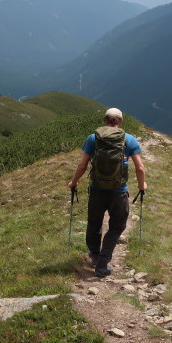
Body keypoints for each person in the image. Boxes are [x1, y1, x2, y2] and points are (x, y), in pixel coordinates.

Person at [68, 107, 147, 277]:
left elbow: (82, 165)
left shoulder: (93, 138)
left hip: (97, 190)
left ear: (104, 120)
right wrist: (142, 186)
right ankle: (103, 263)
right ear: (120, 121)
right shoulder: (129, 139)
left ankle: (95, 256)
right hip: (119, 192)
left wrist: (73, 182)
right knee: (117, 225)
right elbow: (140, 168)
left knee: (94, 223)